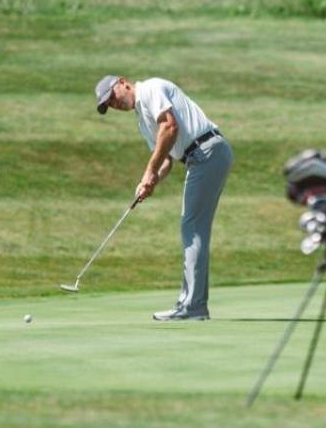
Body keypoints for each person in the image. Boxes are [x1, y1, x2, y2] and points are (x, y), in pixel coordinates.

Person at [94, 74, 234, 321]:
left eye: (112, 97)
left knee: (192, 228)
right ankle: (191, 304)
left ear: (123, 82)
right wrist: (150, 182)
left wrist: (149, 171)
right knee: (192, 228)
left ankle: (192, 306)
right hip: (200, 158)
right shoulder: (142, 122)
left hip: (207, 152)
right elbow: (167, 160)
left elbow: (169, 127)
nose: (113, 104)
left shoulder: (151, 88)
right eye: (109, 105)